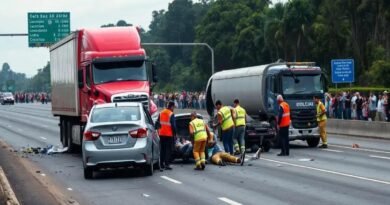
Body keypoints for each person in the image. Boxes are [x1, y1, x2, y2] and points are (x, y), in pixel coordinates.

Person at [156, 101, 176, 170]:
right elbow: (173, 125)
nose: (174, 109)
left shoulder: (161, 113)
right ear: (172, 106)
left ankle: (161, 164)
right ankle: (167, 164)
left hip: (161, 133)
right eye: (174, 107)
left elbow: (157, 123)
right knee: (168, 149)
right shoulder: (171, 114)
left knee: (162, 149)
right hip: (168, 134)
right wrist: (175, 133)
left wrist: (158, 131)